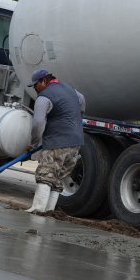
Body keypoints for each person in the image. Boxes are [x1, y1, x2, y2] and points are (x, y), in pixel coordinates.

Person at [26, 69, 85, 214]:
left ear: (44, 81)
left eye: (35, 85)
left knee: (46, 174)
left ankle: (38, 208)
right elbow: (82, 100)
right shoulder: (69, 89)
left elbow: (38, 123)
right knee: (58, 177)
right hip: (76, 142)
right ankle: (49, 210)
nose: (35, 89)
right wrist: (77, 118)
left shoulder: (44, 97)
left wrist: (33, 143)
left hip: (57, 142)